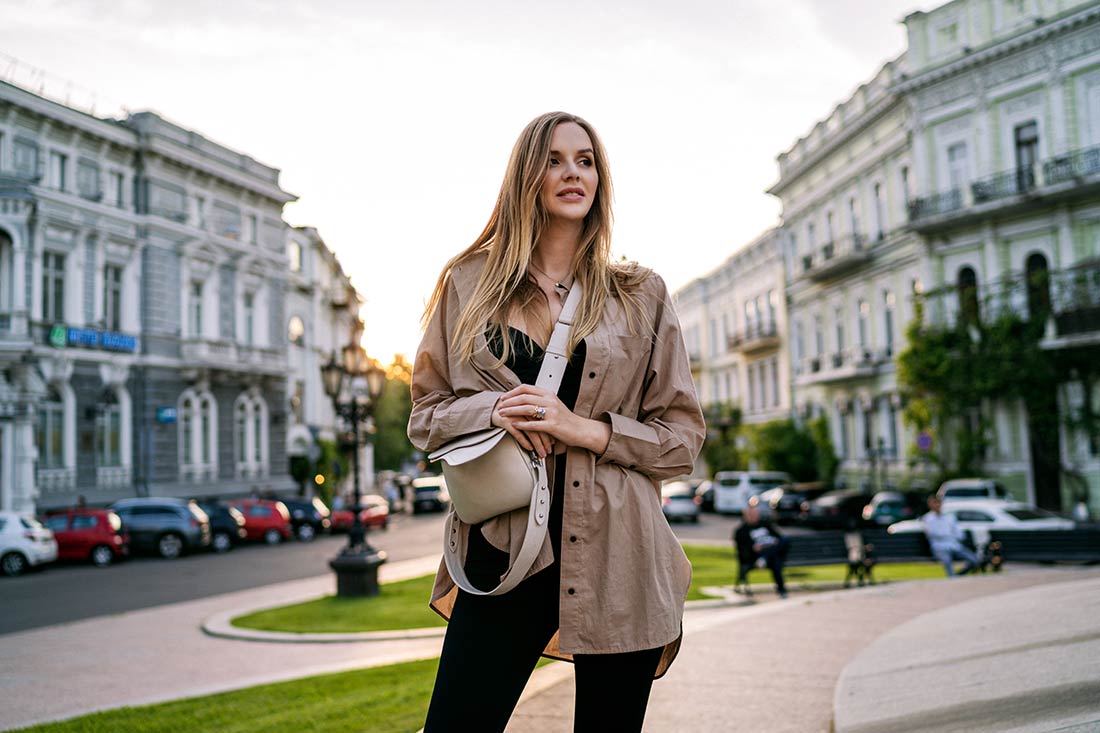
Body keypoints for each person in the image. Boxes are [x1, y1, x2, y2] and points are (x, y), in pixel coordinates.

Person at [407, 111, 705, 733]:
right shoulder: (468, 284)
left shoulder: (641, 292)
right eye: (554, 159)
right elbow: (425, 418)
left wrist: (582, 429)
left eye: (586, 160)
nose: (573, 173)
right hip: (507, 549)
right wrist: (492, 409)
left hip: (620, 551)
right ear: (526, 176)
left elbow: (681, 443)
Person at [733, 500, 790, 599]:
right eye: (749, 514)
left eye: (754, 514)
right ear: (745, 516)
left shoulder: (765, 525)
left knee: (785, 540)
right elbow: (743, 550)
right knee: (775, 562)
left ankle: (764, 558)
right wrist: (753, 548)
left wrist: (770, 545)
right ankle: (782, 590)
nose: (752, 516)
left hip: (770, 551)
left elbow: (779, 538)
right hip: (755, 557)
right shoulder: (741, 531)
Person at [922, 496, 980, 576]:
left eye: (938, 503)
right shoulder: (927, 519)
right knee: (947, 560)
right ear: (930, 505)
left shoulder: (950, 517)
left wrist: (954, 537)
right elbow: (933, 534)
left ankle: (959, 575)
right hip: (939, 547)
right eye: (934, 503)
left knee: (974, 560)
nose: (936, 505)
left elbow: (959, 532)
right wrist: (949, 535)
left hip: (954, 545)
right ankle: (952, 578)